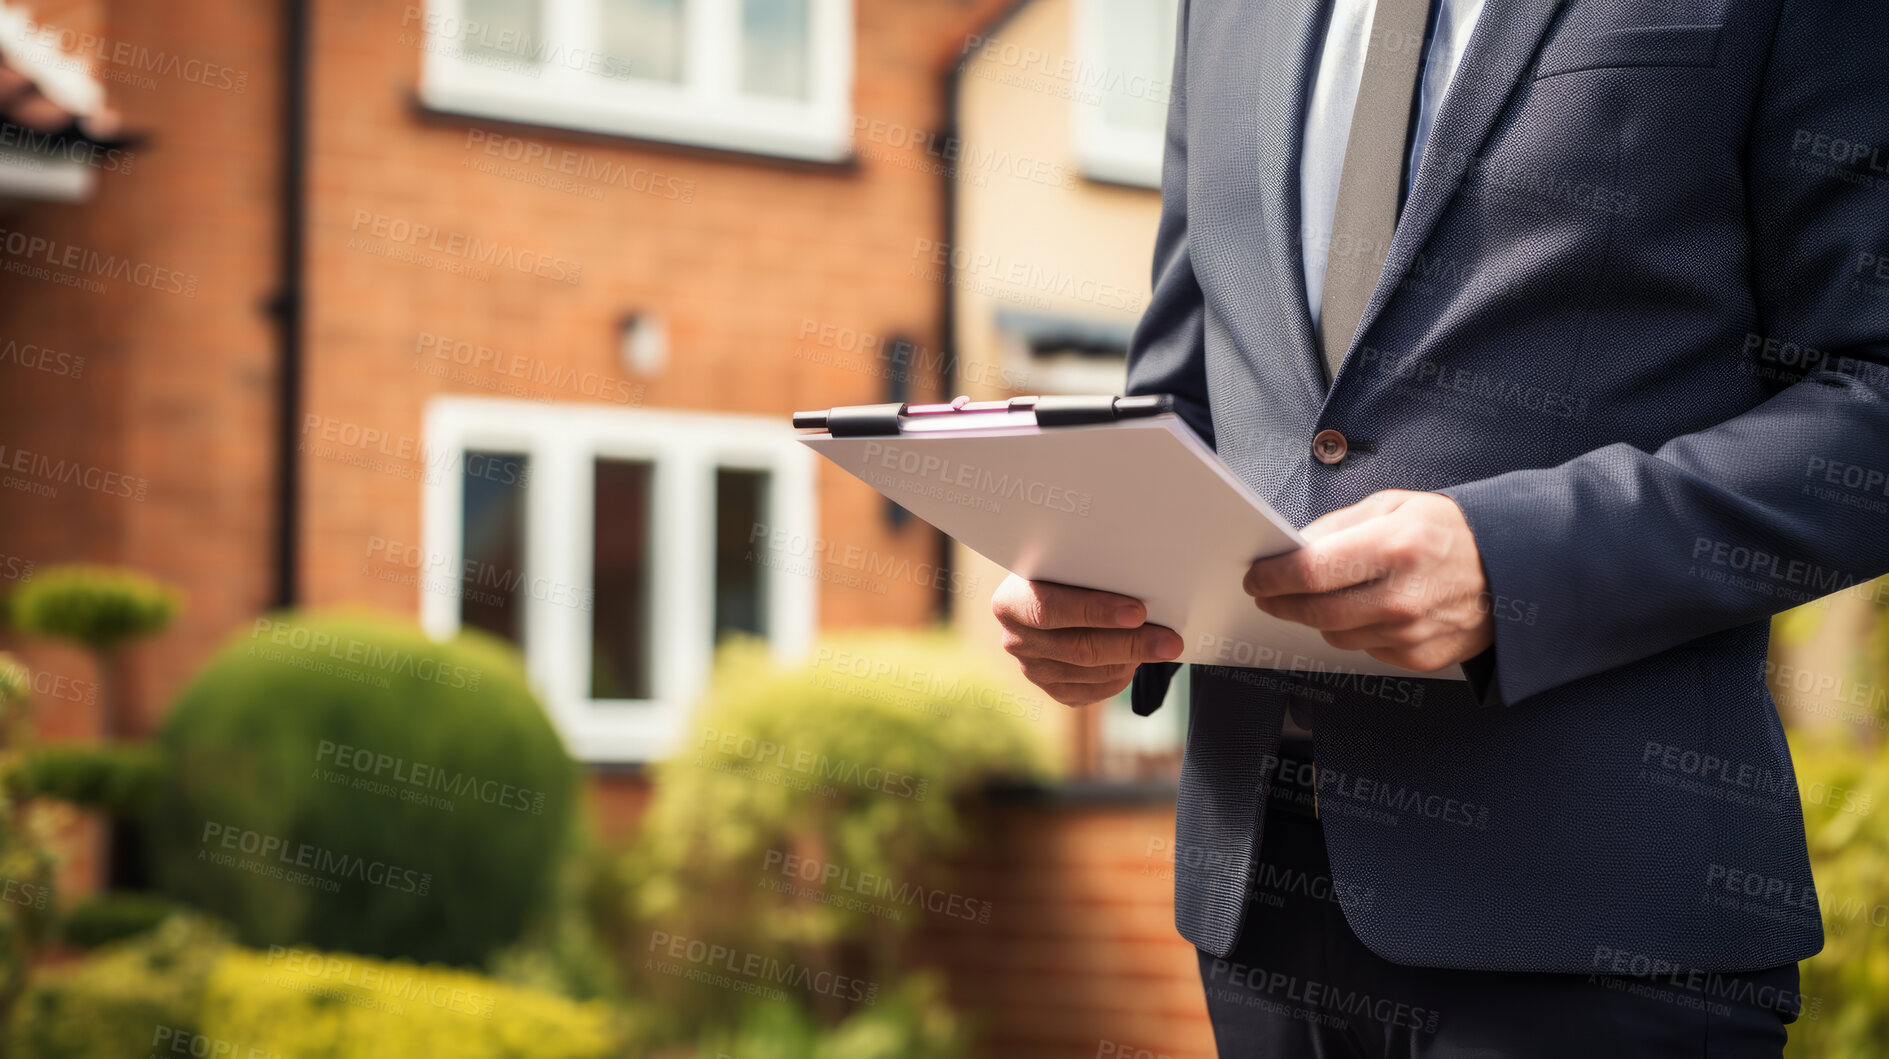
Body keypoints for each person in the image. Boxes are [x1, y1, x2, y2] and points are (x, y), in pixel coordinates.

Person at [990, 0, 1889, 1054]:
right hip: (1259, 907)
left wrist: (1512, 563)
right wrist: (1096, 586)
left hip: (1594, 923)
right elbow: (1195, 396)